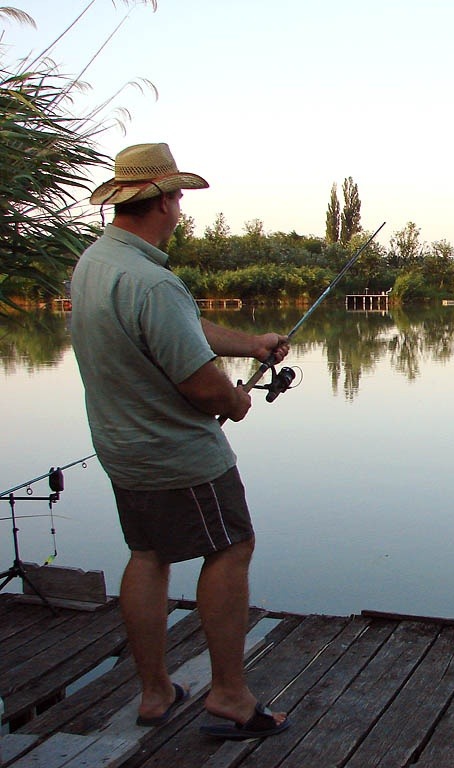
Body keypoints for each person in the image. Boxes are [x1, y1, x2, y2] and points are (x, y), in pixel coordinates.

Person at [70, 143, 291, 739]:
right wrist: (236, 400)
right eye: (178, 198)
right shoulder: (151, 281)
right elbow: (200, 382)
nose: (180, 209)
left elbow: (184, 332)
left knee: (149, 555)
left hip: (122, 448)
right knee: (232, 546)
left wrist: (253, 345)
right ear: (165, 200)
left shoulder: (96, 264)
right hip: (180, 455)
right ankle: (230, 697)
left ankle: (155, 692)